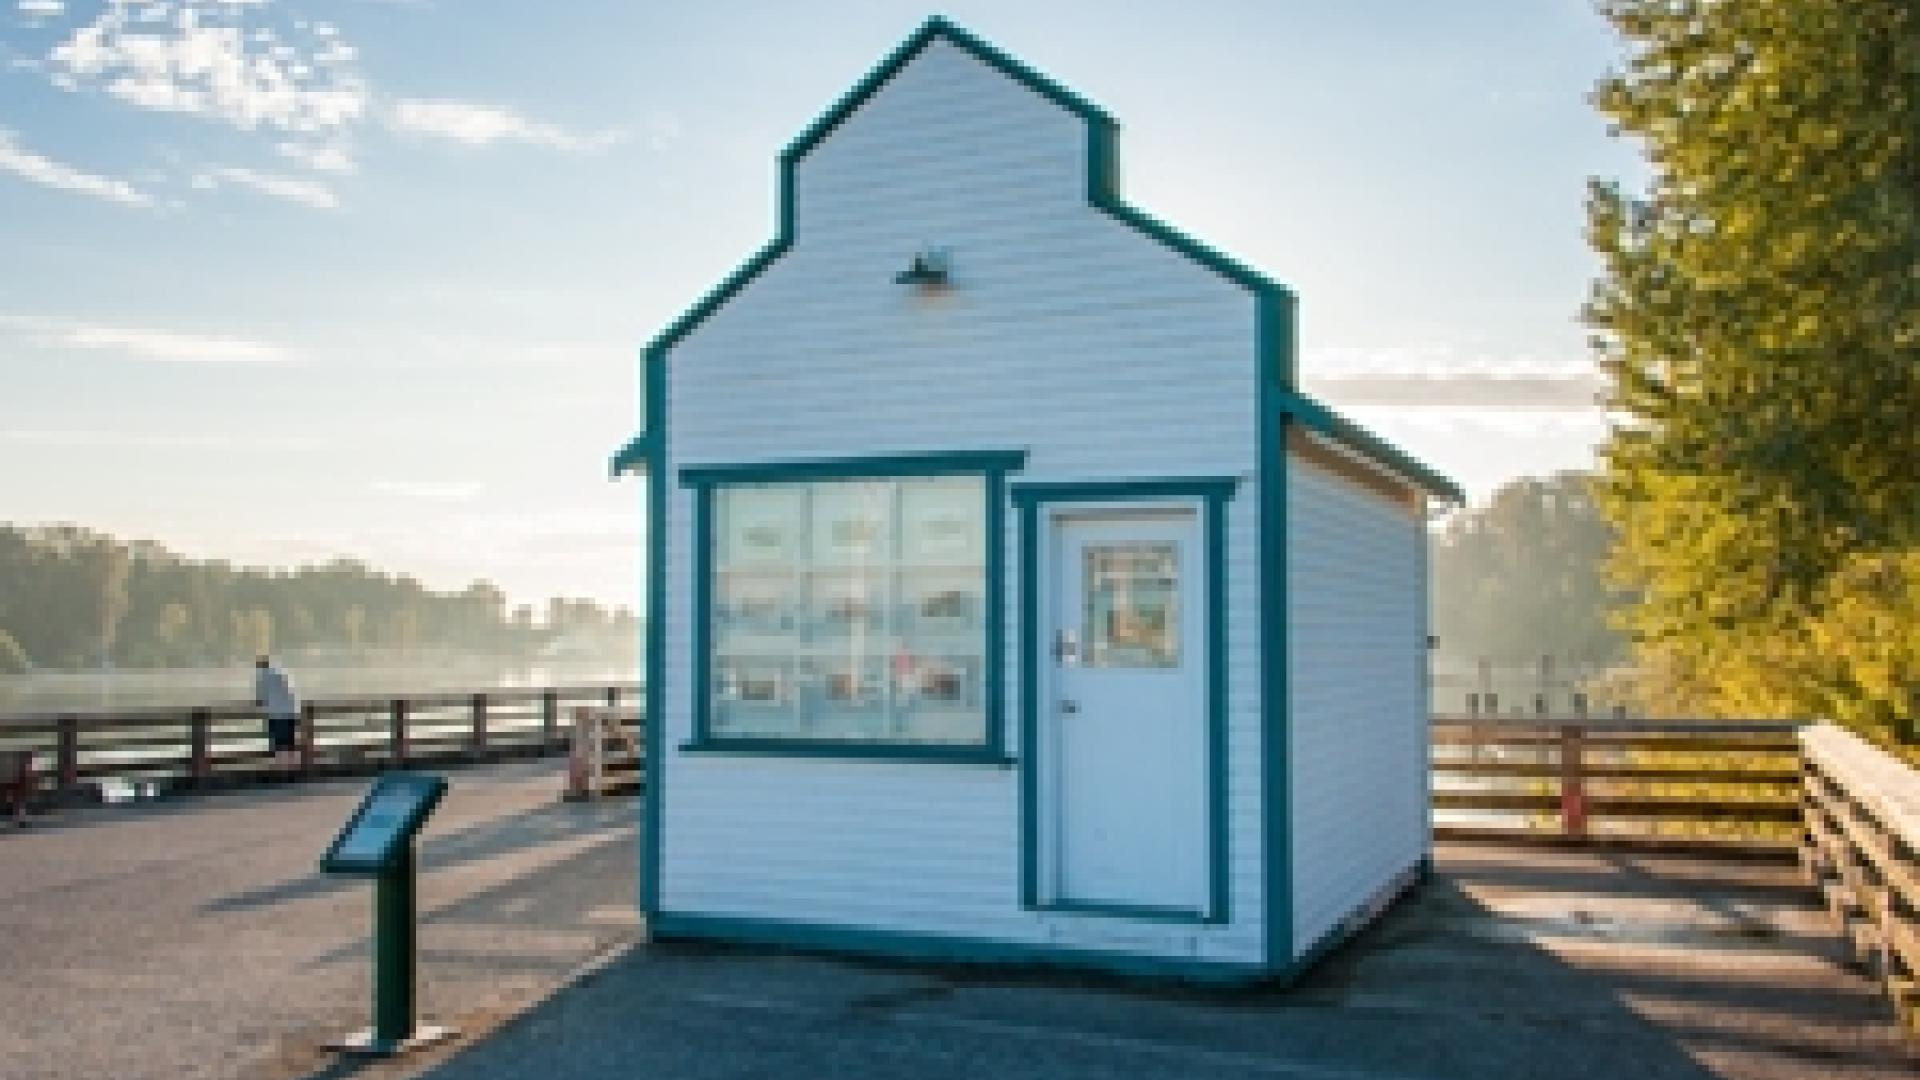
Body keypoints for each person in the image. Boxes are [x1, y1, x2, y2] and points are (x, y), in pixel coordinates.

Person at [253, 655, 301, 774]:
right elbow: (290, 691)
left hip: (276, 713)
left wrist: (260, 705)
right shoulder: (280, 671)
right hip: (290, 711)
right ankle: (291, 768)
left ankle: (280, 768)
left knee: (278, 743)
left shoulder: (263, 675)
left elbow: (261, 697)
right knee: (288, 741)